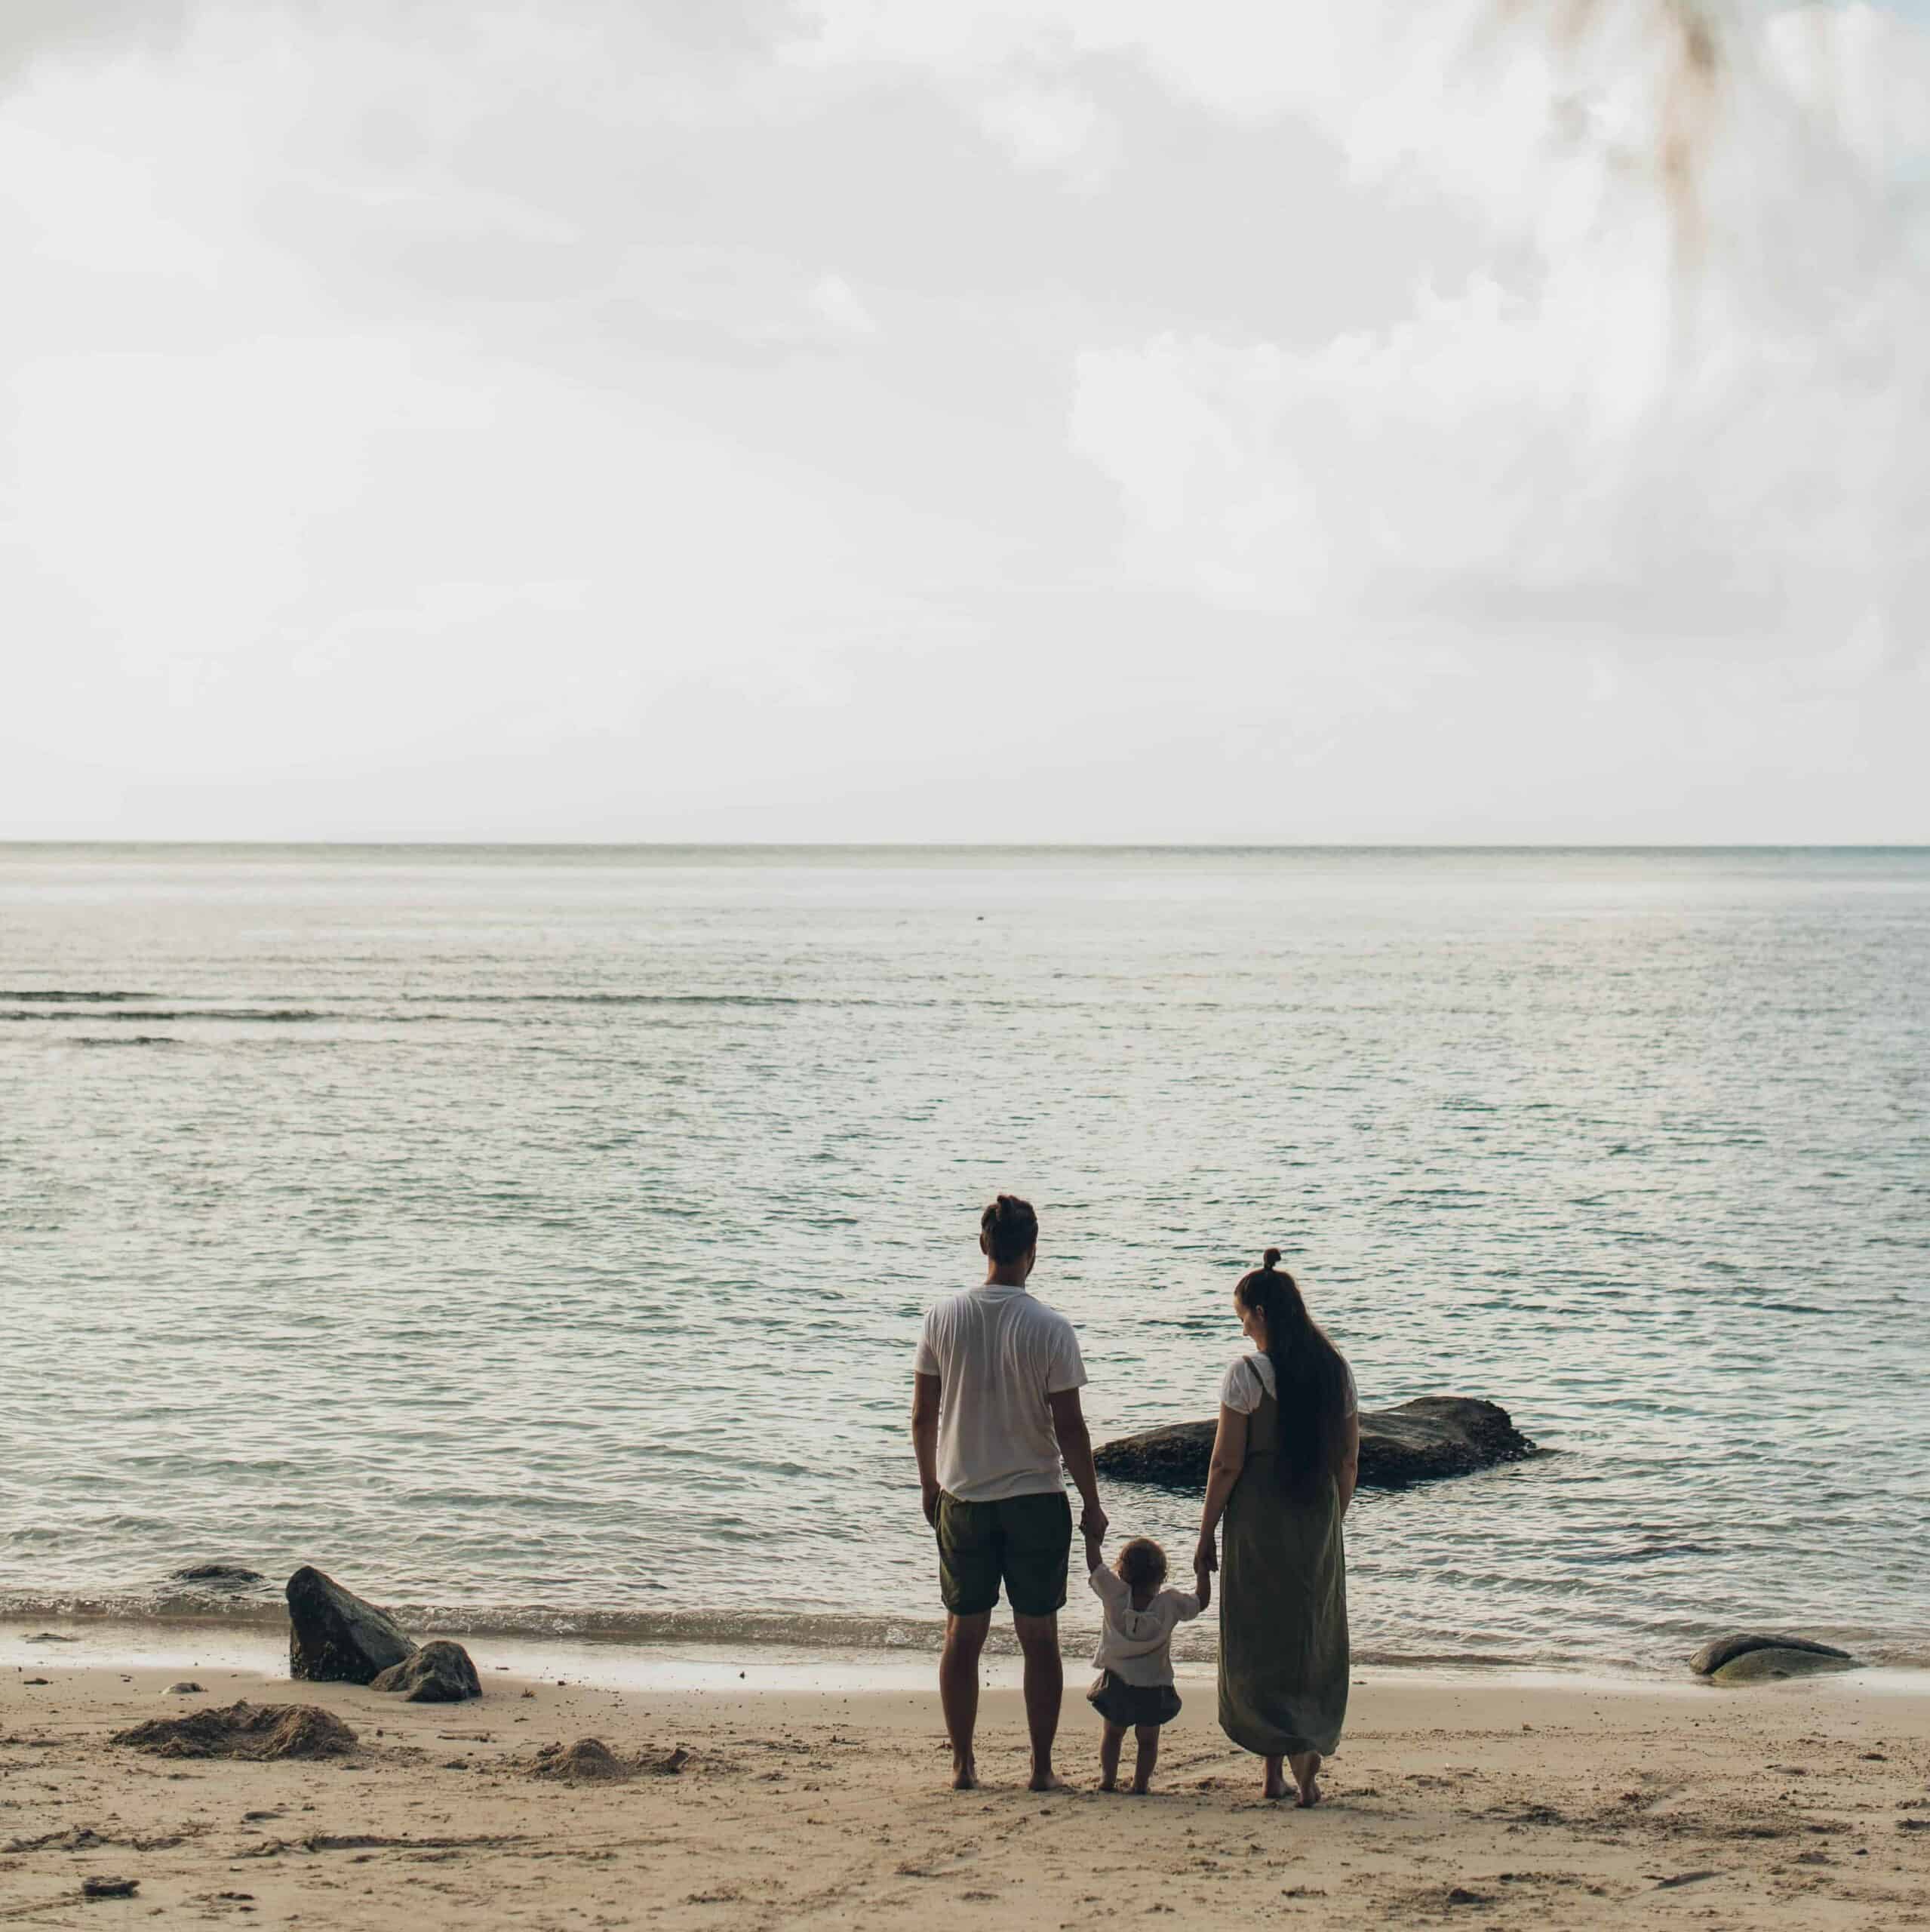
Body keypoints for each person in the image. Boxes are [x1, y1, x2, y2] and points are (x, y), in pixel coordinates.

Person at [911, 1193, 1107, 1792]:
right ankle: (1041, 1767)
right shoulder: (1049, 1326)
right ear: (1032, 1253)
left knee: (961, 1633)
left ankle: (963, 1764)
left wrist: (929, 1484)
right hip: (1034, 1498)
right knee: (1039, 1635)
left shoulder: (943, 1317)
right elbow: (1070, 1427)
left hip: (964, 1495)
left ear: (984, 1247)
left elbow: (924, 1413)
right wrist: (1093, 1503)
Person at [1193, 1248, 1359, 1805]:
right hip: (1316, 1510)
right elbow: (1348, 1462)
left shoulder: (1246, 1376)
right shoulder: (1335, 1371)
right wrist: (1334, 1514)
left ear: (1260, 1311)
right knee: (1310, 1632)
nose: (1240, 1326)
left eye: (1242, 1314)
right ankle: (1307, 1760)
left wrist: (1205, 1530)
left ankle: (1271, 1775)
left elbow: (1226, 1463)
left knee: (1261, 1635)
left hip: (1258, 1516)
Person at [1083, 1533, 1205, 1795]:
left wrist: (1091, 1537)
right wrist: (1202, 1569)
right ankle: (1141, 1784)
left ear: (1122, 1571)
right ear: (1162, 1575)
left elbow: (1095, 1566)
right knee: (1148, 1741)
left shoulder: (1115, 1595)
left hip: (1117, 1682)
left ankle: (1108, 1779)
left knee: (1113, 1734)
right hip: (1154, 1685)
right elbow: (1200, 1602)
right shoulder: (1170, 1603)